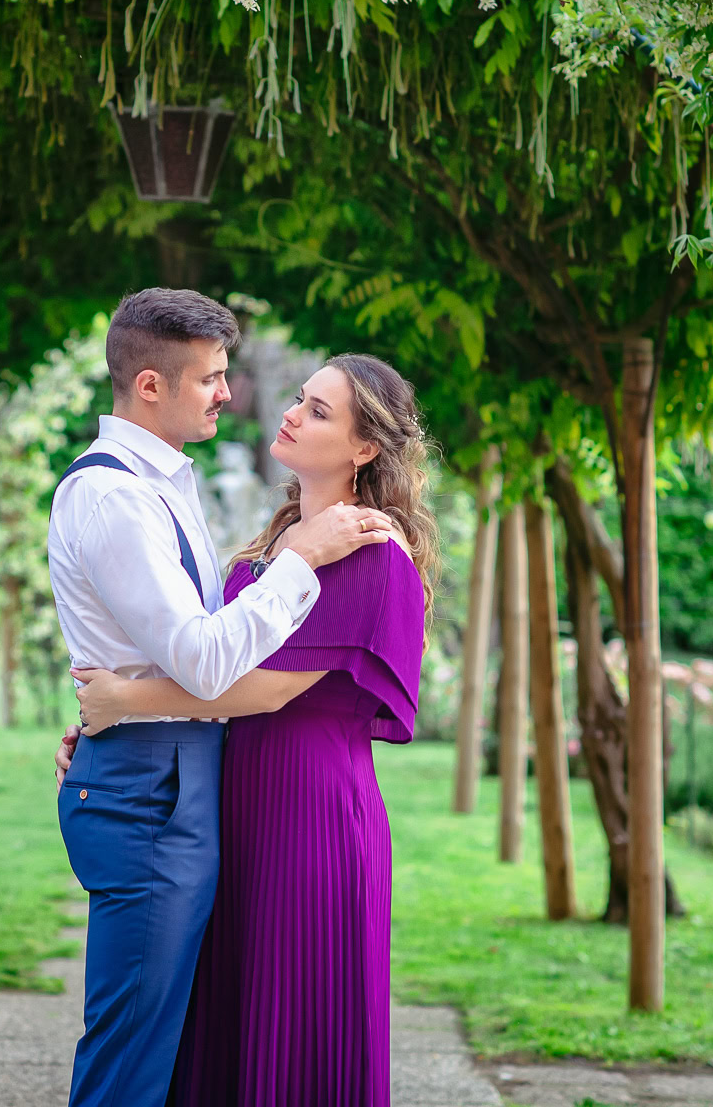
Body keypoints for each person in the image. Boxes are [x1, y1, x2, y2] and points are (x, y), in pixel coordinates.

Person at [58, 353, 436, 1107]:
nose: (292, 413)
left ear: (365, 448)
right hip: (239, 805)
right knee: (229, 1026)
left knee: (293, 1028)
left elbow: (263, 692)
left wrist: (123, 705)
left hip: (309, 817)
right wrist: (118, 731)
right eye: (301, 399)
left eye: (319, 411)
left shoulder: (368, 550)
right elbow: (207, 655)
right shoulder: (284, 540)